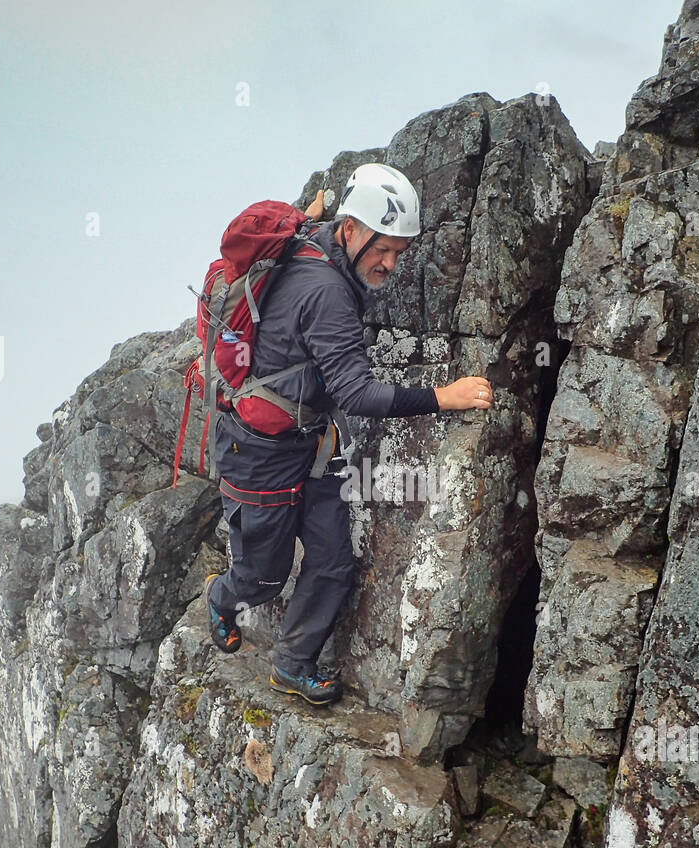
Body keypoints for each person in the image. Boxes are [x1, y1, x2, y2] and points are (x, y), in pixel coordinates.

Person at [203, 162, 494, 705]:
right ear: (351, 230)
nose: (391, 264)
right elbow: (357, 395)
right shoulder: (328, 293)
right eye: (383, 249)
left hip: (309, 444)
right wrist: (442, 398)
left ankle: (293, 664)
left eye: (400, 253)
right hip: (258, 452)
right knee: (263, 579)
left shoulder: (318, 240)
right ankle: (222, 597)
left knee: (334, 560)